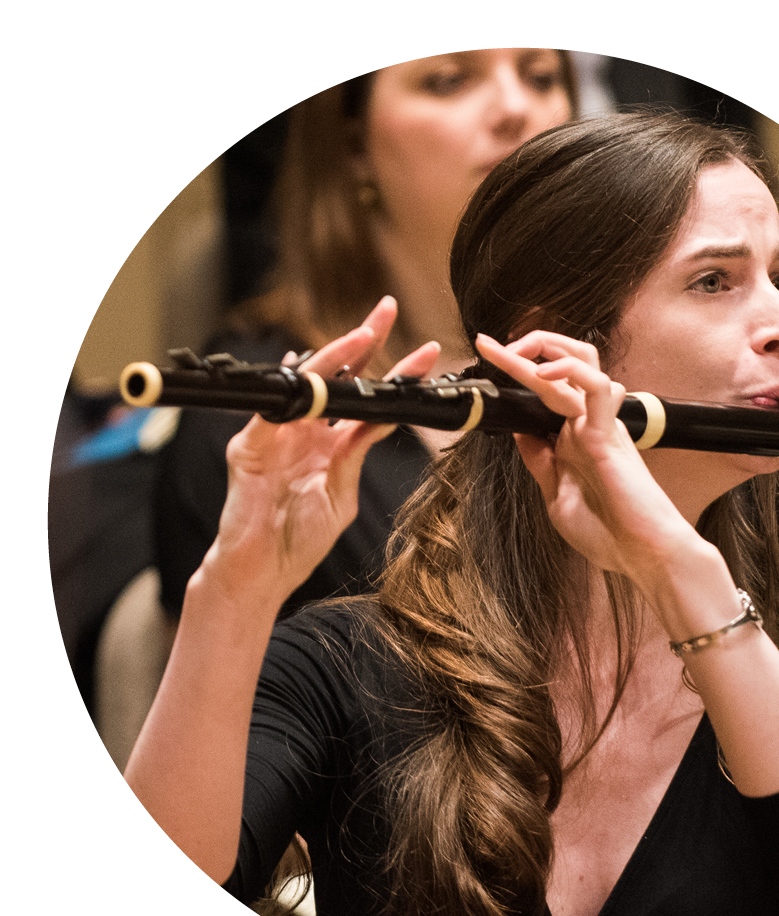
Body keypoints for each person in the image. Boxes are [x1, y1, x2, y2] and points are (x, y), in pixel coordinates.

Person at [125, 112, 779, 916]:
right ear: (550, 352)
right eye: (714, 281)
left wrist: (681, 572)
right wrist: (238, 584)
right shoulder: (342, 671)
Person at [155, 48, 577, 620]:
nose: (516, 108)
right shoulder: (255, 402)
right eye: (448, 80)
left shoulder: (635, 347)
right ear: (352, 146)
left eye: (541, 77)